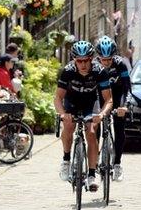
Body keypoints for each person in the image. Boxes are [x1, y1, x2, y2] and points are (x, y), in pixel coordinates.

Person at [55, 41, 113, 192]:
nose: (83, 64)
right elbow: (58, 98)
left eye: (86, 60)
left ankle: (92, 174)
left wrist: (101, 114)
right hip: (71, 102)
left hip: (90, 103)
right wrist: (62, 114)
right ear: (74, 60)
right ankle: (66, 159)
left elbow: (108, 99)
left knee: (92, 133)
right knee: (68, 125)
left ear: (91, 59)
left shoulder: (100, 71)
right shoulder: (67, 71)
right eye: (79, 61)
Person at [94, 36, 130, 182]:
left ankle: (117, 164)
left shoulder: (120, 64)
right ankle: (94, 158)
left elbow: (127, 87)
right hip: (98, 98)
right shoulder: (93, 66)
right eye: (104, 59)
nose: (107, 62)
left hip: (117, 97)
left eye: (109, 59)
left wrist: (124, 106)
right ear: (98, 57)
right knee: (94, 126)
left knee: (120, 128)